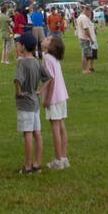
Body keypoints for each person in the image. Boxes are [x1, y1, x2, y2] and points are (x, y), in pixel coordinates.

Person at [13, 33, 49, 174]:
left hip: (25, 103)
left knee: (27, 134)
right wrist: (39, 90)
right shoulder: (35, 61)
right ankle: (37, 164)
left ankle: (27, 167)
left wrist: (18, 91)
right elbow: (48, 78)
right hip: (35, 101)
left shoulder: (22, 62)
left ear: (22, 46)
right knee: (37, 133)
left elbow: (17, 80)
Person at [41, 34, 69, 169]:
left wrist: (46, 98)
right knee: (61, 126)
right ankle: (63, 157)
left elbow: (50, 79)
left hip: (54, 97)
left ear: (51, 46)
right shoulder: (54, 59)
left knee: (55, 128)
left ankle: (58, 160)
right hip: (62, 95)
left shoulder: (47, 58)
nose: (44, 39)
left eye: (47, 39)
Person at [75, 4, 96, 74]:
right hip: (85, 38)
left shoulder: (81, 17)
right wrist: (91, 38)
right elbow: (86, 29)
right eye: (90, 12)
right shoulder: (84, 18)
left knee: (86, 54)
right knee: (84, 54)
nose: (90, 13)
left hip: (83, 38)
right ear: (86, 11)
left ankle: (86, 68)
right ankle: (84, 69)